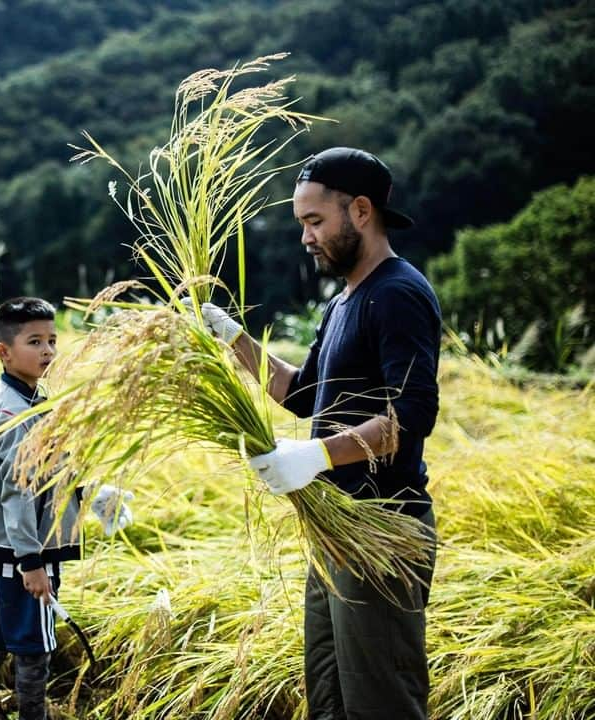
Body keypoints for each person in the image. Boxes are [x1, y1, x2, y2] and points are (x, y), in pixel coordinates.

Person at [195, 147, 441, 719]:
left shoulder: (397, 293)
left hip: (382, 529)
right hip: (337, 528)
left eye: (314, 221)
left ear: (360, 211)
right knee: (329, 694)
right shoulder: (344, 302)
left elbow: (413, 415)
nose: (305, 237)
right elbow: (304, 394)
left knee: (380, 702)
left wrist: (317, 456)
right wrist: (232, 338)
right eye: (301, 224)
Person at [0, 296, 131, 720]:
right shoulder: (20, 413)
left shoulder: (19, 397)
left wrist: (93, 494)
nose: (48, 351)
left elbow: (51, 468)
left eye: (52, 340)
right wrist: (32, 562)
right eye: (34, 341)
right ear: (4, 350)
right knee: (34, 651)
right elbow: (18, 493)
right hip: (23, 554)